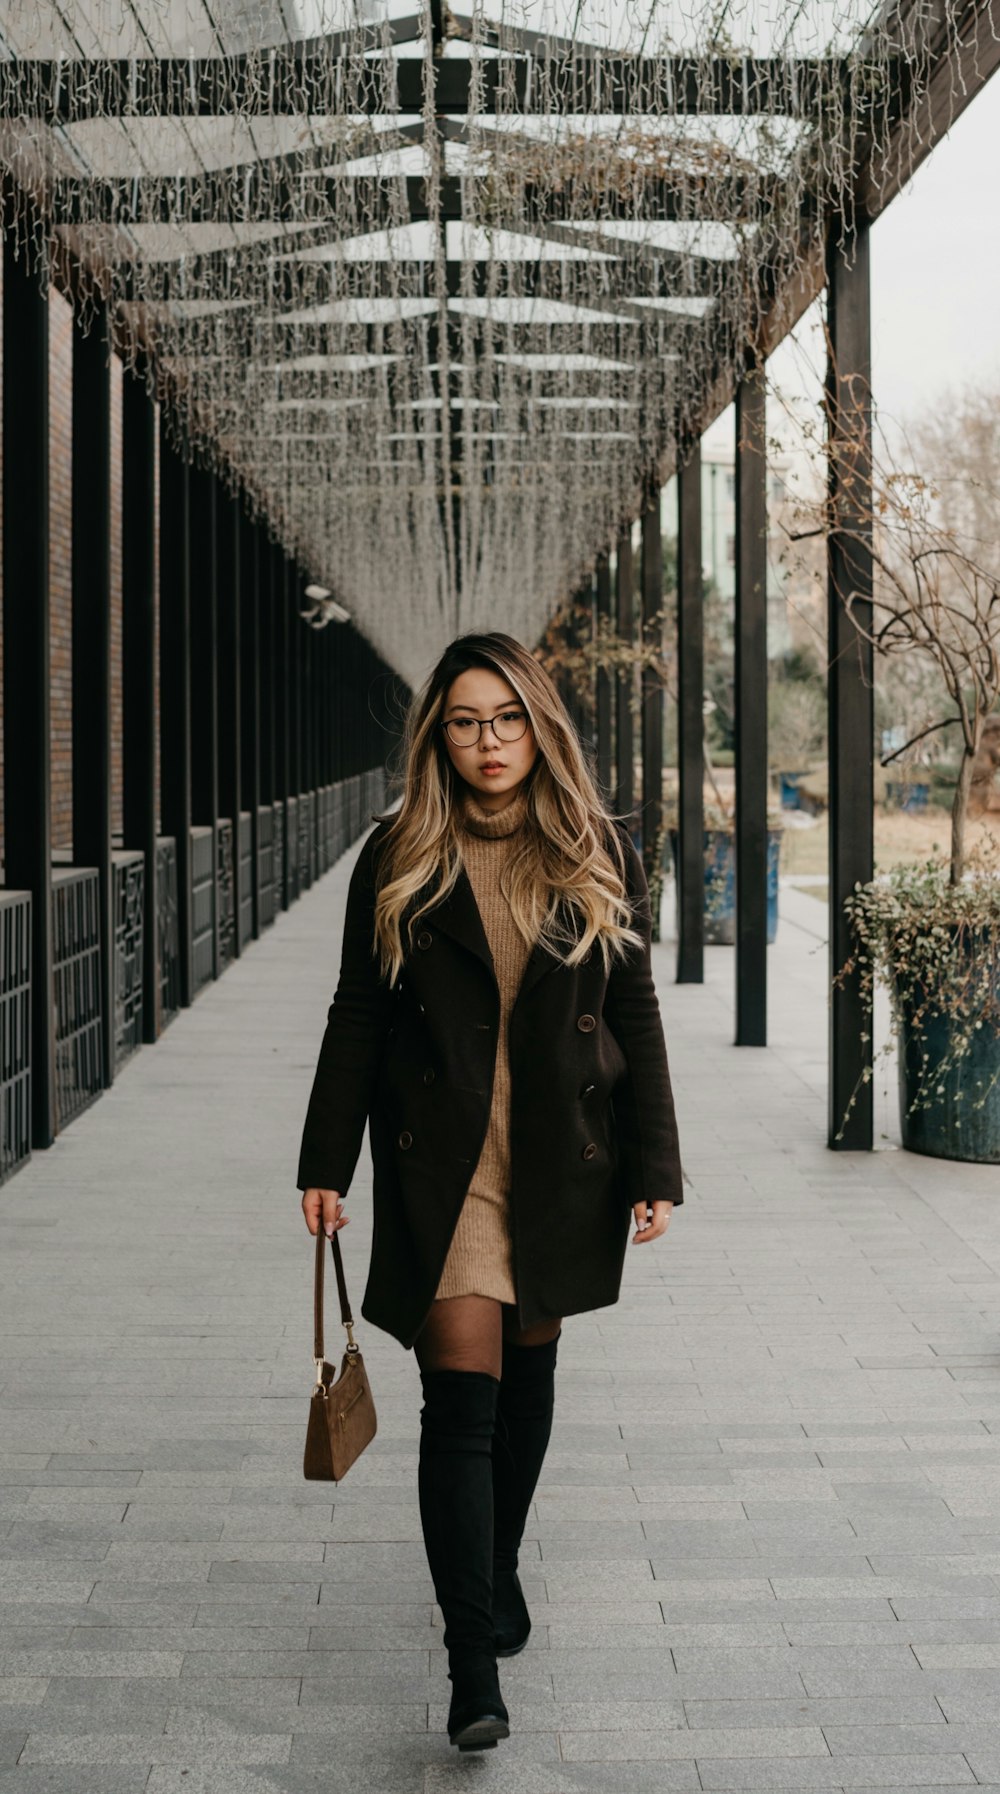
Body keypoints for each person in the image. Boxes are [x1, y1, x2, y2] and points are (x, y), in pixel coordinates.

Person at [298, 631, 683, 1752]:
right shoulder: (400, 852)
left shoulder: (596, 845)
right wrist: (326, 1161)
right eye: (465, 722)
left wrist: (656, 1166)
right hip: (442, 1165)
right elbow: (356, 1013)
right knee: (459, 1403)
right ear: (439, 737)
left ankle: (495, 1564)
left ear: (537, 723)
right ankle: (473, 1663)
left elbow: (633, 1013)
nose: (488, 741)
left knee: (525, 1387)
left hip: (559, 1162)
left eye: (506, 718)